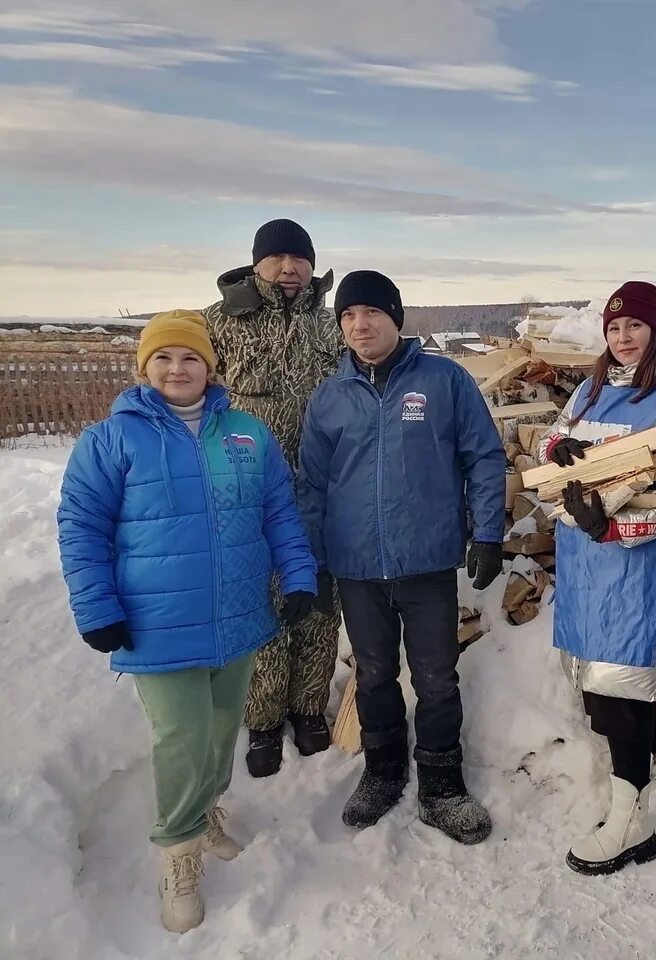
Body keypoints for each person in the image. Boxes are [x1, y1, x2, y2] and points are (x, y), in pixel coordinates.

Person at [56, 310, 317, 933]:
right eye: (164, 358)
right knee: (182, 735)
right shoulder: (111, 439)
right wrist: (96, 608)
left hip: (236, 615)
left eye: (191, 357)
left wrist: (300, 575)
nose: (178, 369)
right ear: (144, 367)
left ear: (210, 366)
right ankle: (178, 850)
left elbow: (279, 511)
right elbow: (81, 525)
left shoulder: (248, 434)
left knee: (223, 726)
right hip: (157, 622)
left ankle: (204, 813)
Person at [296, 270, 506, 842]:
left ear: (396, 317)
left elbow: (484, 457)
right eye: (346, 316)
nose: (359, 325)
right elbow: (311, 485)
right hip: (356, 566)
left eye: (370, 313)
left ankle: (443, 787)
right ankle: (383, 771)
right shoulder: (330, 396)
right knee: (374, 674)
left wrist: (487, 534)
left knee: (437, 678)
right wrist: (312, 561)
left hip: (427, 562)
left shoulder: (444, 381)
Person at [536, 281, 656, 876]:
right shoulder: (590, 393)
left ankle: (633, 824)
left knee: (627, 694)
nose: (622, 337)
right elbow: (548, 442)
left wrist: (612, 530)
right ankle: (624, 803)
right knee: (598, 690)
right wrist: (559, 445)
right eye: (613, 329)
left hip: (641, 572)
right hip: (588, 570)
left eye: (634, 326)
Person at [203, 218, 344, 777]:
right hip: (247, 496)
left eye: (300, 259)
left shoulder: (333, 326)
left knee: (317, 605)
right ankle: (262, 720)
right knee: (260, 605)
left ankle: (308, 708)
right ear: (256, 262)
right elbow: (188, 397)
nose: (290, 268)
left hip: (322, 492)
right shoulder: (218, 324)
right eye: (278, 258)